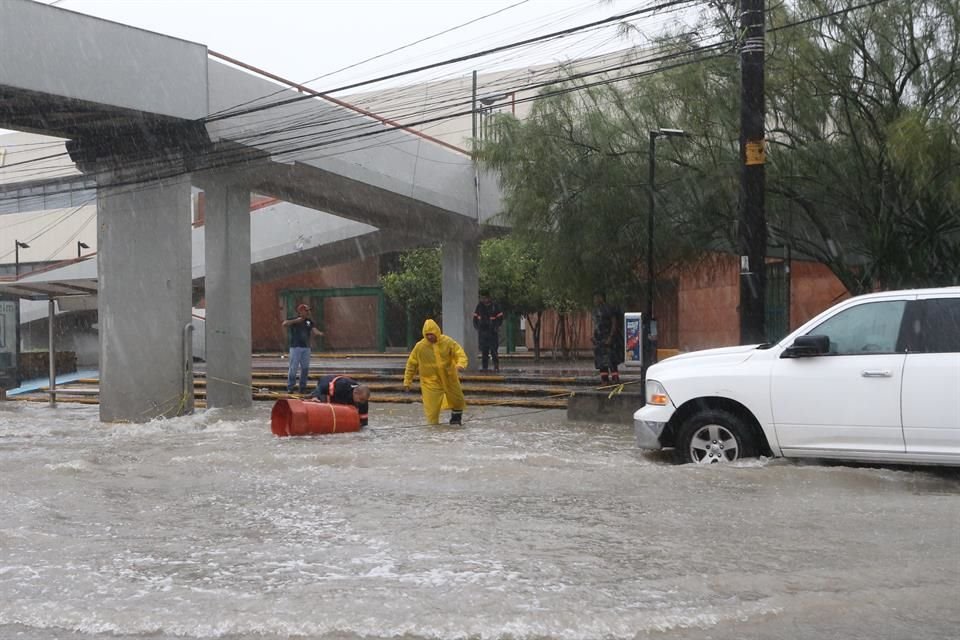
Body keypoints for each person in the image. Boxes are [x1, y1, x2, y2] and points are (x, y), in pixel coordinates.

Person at [403, 318, 468, 425]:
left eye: (431, 334)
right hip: (430, 382)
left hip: (449, 378)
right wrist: (407, 381)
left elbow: (459, 353)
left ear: (437, 332)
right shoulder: (420, 347)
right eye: (427, 334)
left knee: (458, 400)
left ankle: (456, 421)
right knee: (431, 409)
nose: (429, 337)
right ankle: (433, 430)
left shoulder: (447, 342)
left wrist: (461, 364)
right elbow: (411, 364)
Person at [282, 303, 324, 394]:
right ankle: (290, 387)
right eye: (306, 311)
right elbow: (284, 324)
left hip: (306, 348)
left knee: (305, 368)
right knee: (293, 368)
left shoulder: (309, 321)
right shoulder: (294, 320)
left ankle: (302, 387)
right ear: (300, 311)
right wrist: (296, 321)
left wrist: (320, 333)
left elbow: (314, 329)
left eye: (308, 311)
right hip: (295, 347)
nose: (307, 312)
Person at [305, 374, 371, 427]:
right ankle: (311, 395)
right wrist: (315, 397)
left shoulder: (363, 400)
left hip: (342, 392)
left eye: (364, 400)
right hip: (326, 383)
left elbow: (363, 422)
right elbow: (321, 388)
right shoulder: (341, 386)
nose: (362, 402)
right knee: (324, 402)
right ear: (355, 393)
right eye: (361, 399)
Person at [592, 291, 623, 384]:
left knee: (611, 359)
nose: (595, 300)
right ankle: (604, 380)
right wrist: (593, 336)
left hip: (608, 338)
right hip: (599, 339)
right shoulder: (596, 310)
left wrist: (610, 337)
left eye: (596, 297)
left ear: (601, 297)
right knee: (600, 361)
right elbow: (596, 324)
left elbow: (614, 323)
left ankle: (615, 379)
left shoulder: (609, 309)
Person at [473, 290, 504, 372]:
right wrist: (477, 327)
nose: (484, 299)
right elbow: (475, 318)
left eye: (486, 297)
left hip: (492, 332)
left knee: (494, 350)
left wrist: (496, 327)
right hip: (483, 332)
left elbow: (500, 318)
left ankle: (496, 366)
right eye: (483, 298)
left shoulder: (495, 306)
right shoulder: (479, 306)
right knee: (484, 351)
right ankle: (484, 367)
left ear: (489, 298)